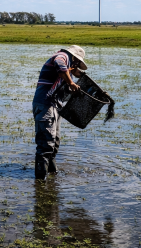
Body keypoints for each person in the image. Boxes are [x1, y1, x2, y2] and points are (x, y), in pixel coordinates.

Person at [32, 45, 87, 180]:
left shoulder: (67, 70)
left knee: (55, 141)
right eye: (76, 63)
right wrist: (71, 83)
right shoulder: (63, 56)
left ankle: (52, 174)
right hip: (45, 104)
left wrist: (77, 77)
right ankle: (41, 180)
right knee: (46, 142)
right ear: (74, 58)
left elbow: (67, 73)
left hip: (55, 105)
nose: (75, 66)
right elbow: (60, 64)